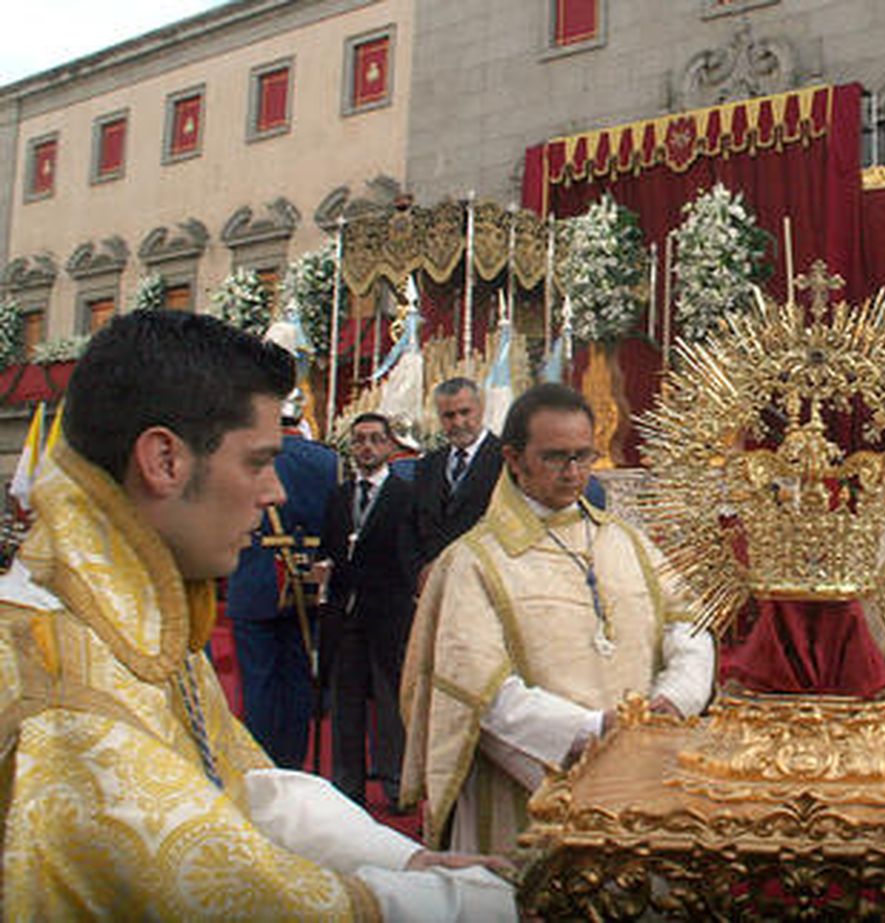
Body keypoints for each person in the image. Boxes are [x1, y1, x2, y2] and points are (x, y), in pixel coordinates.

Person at [0, 311, 513, 920]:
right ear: (164, 460)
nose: (275, 492)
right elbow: (214, 884)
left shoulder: (134, 612)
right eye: (257, 461)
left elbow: (237, 783)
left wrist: (401, 861)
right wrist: (464, 906)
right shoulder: (51, 673)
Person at [400, 383, 714, 854]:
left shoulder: (628, 543)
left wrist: (673, 701)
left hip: (640, 777)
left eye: (583, 456)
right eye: (555, 457)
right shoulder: (471, 561)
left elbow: (688, 626)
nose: (573, 474)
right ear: (512, 457)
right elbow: (478, 690)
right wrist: (590, 729)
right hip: (527, 793)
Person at [225, 389, 337, 768]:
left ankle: (260, 759)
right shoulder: (326, 460)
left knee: (258, 680)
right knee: (298, 677)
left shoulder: (253, 457)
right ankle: (293, 760)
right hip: (307, 576)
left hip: (256, 574)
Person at [319, 412, 420, 810]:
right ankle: (347, 785)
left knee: (391, 701)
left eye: (375, 439)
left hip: (388, 612)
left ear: (390, 446)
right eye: (359, 440)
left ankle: (396, 784)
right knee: (345, 701)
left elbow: (412, 554)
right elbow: (328, 547)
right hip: (346, 612)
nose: (367, 447)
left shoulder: (405, 496)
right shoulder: (339, 496)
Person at [413, 378, 502, 564]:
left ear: (481, 408)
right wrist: (419, 572)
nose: (458, 422)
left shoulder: (507, 461)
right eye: (449, 415)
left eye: (465, 412)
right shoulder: (427, 465)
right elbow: (410, 526)